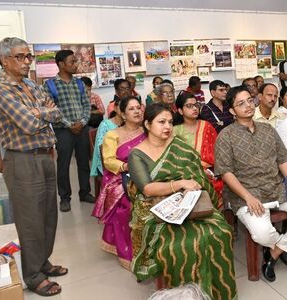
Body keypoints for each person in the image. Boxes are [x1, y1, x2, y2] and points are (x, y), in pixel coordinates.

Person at [128, 103, 237, 299]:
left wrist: (195, 180)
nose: (167, 126)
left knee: (220, 232)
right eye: (161, 122)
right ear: (147, 124)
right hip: (156, 208)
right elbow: (147, 188)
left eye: (170, 122)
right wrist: (179, 184)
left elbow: (195, 170)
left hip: (192, 203)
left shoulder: (176, 144)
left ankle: (218, 292)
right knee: (183, 244)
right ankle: (186, 294)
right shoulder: (137, 154)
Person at [0, 37, 67, 296]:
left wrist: (41, 112)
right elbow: (28, 123)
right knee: (30, 221)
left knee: (48, 215)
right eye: (20, 57)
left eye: (28, 57)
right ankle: (34, 276)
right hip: (23, 160)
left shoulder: (30, 84)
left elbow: (57, 113)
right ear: (4, 59)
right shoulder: (0, 88)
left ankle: (42, 261)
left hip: (46, 156)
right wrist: (40, 113)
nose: (26, 62)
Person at [215, 85, 287, 282]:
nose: (248, 105)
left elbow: (282, 160)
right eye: (240, 103)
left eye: (249, 100)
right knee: (262, 233)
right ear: (231, 111)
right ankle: (278, 247)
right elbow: (225, 172)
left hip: (275, 188)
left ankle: (274, 253)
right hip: (245, 194)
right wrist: (247, 196)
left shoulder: (268, 130)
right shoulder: (225, 136)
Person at [92, 96, 145, 269]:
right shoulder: (112, 135)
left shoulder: (147, 131)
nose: (137, 111)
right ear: (122, 113)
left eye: (139, 107)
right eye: (131, 109)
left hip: (147, 175)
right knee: (127, 203)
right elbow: (108, 161)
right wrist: (128, 166)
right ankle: (129, 251)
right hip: (120, 178)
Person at [44, 50, 92, 212]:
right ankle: (65, 198)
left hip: (82, 128)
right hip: (63, 131)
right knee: (63, 165)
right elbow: (51, 109)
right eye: (72, 62)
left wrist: (82, 122)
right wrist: (69, 124)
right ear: (61, 64)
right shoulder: (50, 85)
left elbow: (86, 105)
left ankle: (85, 192)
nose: (75, 64)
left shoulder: (79, 83)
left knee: (84, 162)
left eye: (75, 61)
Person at [174, 91, 223, 208]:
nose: (194, 108)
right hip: (186, 175)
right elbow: (175, 158)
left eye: (196, 105)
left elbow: (218, 152)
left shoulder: (207, 126)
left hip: (211, 173)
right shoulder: (175, 131)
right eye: (189, 106)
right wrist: (198, 171)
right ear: (180, 111)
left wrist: (210, 171)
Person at [90, 98, 123, 177]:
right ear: (115, 108)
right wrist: (106, 173)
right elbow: (102, 149)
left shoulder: (129, 124)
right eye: (121, 107)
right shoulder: (105, 125)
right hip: (107, 162)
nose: (123, 109)